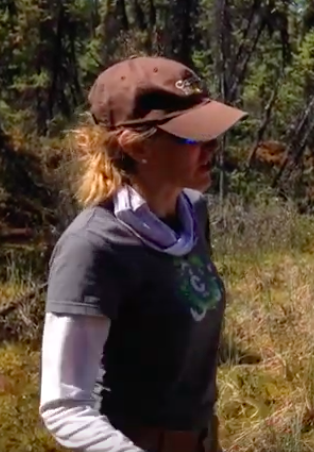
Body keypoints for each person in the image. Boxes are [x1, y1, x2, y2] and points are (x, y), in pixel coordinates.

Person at [38, 55, 247, 452]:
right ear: (137, 147)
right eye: (192, 137)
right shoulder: (94, 246)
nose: (212, 147)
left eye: (212, 133)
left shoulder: (193, 212)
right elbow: (65, 406)